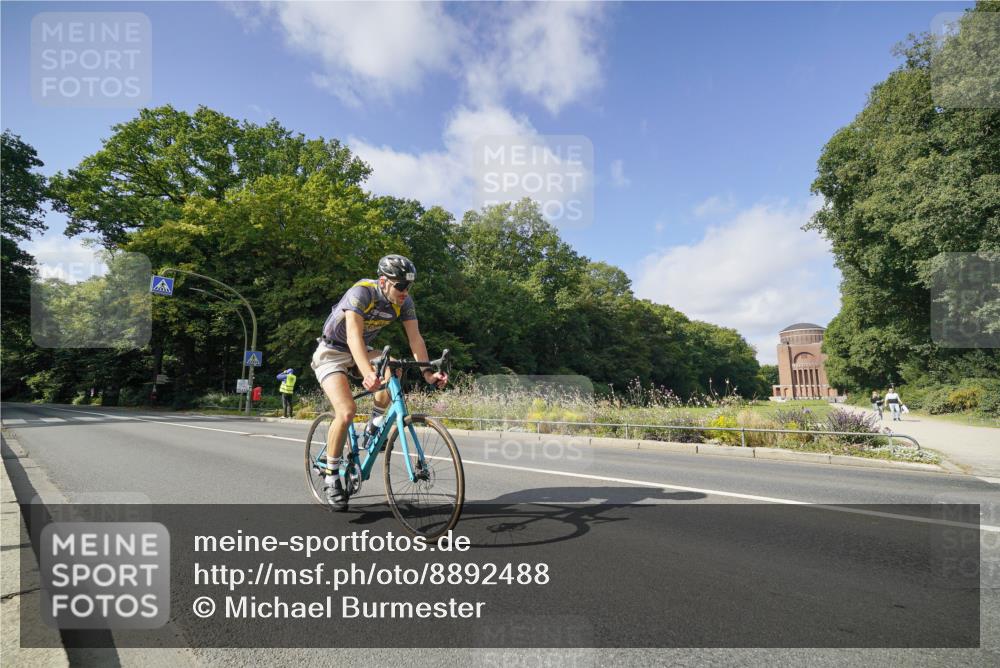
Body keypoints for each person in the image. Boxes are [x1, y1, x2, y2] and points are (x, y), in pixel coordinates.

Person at [311, 255, 448, 510]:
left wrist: (428, 373)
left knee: (394, 369)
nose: (405, 292)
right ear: (383, 281)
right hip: (332, 352)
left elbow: (415, 339)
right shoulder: (361, 292)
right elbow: (353, 336)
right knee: (347, 411)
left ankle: (374, 426)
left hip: (363, 350)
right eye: (400, 287)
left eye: (409, 287)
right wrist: (367, 373)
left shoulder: (404, 302)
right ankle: (331, 475)